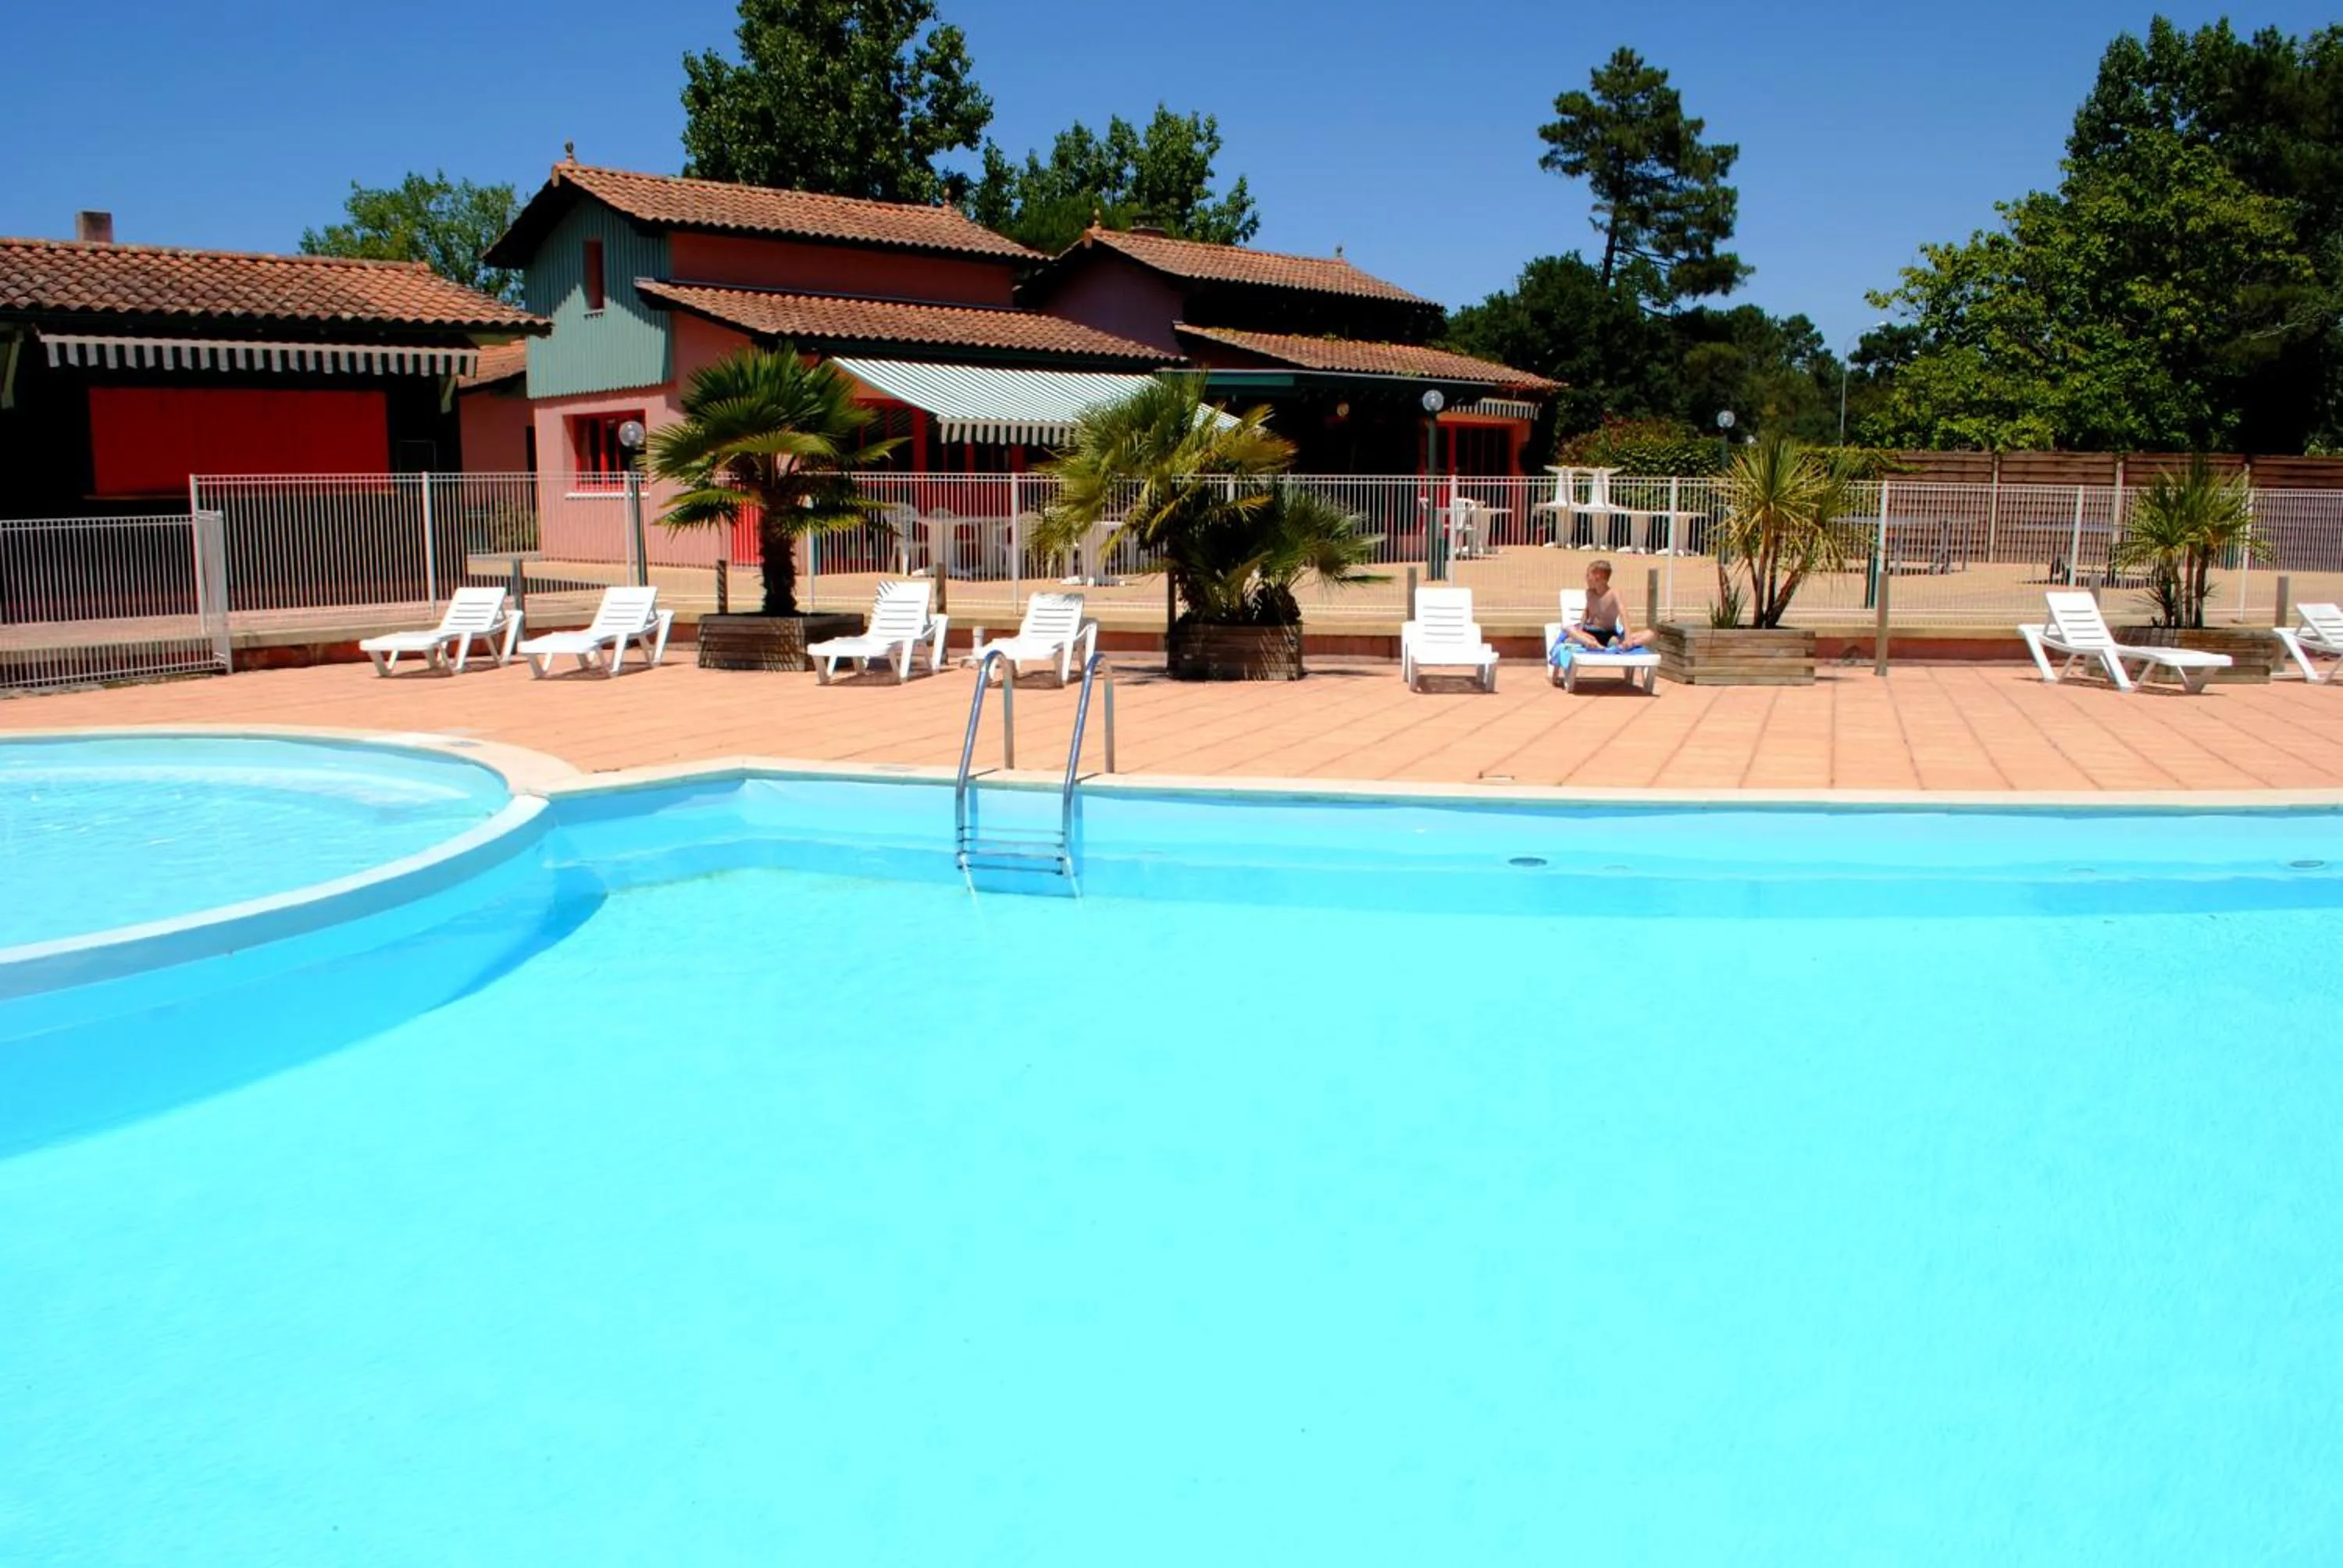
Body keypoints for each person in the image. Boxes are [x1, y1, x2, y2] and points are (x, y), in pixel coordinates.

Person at [1564, 560, 1654, 650]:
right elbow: (1587, 612)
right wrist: (1580, 630)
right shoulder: (1590, 593)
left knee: (1650, 634)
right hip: (1590, 633)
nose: (1586, 578)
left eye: (1588, 575)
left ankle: (1624, 644)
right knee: (1567, 629)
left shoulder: (1613, 594)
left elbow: (1623, 613)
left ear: (1597, 577)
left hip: (1609, 635)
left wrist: (1628, 636)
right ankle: (1592, 643)